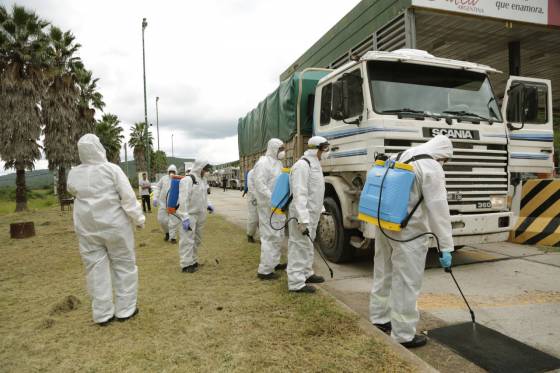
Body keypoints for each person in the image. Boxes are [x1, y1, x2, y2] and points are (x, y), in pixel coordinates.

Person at [369, 134, 454, 348]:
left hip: (384, 225)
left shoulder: (400, 155)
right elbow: (438, 208)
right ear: (442, 155)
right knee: (406, 283)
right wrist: (446, 246)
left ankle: (379, 319)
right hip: (409, 234)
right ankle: (403, 334)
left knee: (383, 273)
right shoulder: (431, 166)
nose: (442, 164)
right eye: (445, 161)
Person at [67, 134, 144, 326]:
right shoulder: (112, 170)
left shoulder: (74, 173)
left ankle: (102, 314)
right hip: (115, 226)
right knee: (124, 265)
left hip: (87, 229)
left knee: (95, 269)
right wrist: (138, 219)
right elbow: (127, 197)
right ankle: (125, 310)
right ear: (98, 148)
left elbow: (72, 190)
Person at [287, 136, 329, 293]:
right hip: (302, 214)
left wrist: (321, 209)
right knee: (298, 246)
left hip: (312, 213)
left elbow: (316, 191)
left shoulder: (315, 164)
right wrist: (302, 219)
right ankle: (296, 283)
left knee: (308, 244)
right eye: (324, 148)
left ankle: (306, 273)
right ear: (315, 148)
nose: (326, 152)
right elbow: (300, 194)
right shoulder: (302, 166)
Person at [253, 138, 287, 280]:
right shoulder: (263, 163)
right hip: (268, 206)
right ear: (273, 148)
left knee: (278, 235)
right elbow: (259, 184)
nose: (282, 152)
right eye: (280, 149)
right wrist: (272, 198)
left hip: (278, 205)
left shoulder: (278, 163)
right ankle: (265, 270)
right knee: (269, 236)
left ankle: (274, 262)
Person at [177, 159, 214, 273]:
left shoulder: (202, 180)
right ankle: (186, 264)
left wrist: (208, 205)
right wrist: (184, 216)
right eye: (205, 169)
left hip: (200, 215)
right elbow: (183, 199)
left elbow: (204, 196)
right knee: (187, 240)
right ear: (200, 168)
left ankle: (193, 260)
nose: (207, 171)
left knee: (197, 240)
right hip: (190, 215)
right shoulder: (187, 180)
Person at [152, 164, 180, 243]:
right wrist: (155, 198)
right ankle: (167, 233)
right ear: (168, 172)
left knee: (173, 221)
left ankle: (173, 238)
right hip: (163, 204)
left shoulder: (178, 180)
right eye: (170, 171)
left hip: (174, 204)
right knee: (161, 220)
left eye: (173, 171)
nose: (171, 173)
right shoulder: (163, 179)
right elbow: (157, 187)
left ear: (176, 172)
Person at [244, 169, 258, 243]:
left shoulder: (264, 171)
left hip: (262, 199)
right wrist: (258, 196)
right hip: (253, 199)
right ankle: (250, 235)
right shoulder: (252, 172)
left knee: (263, 219)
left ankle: (264, 237)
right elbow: (251, 187)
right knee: (253, 218)